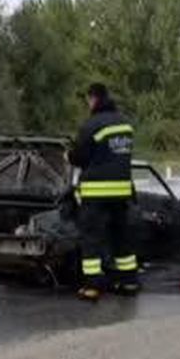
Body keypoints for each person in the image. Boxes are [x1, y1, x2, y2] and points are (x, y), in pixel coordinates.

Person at [68, 83, 138, 301]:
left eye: (88, 100)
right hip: (121, 192)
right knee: (121, 236)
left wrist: (67, 156)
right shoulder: (126, 125)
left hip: (96, 192)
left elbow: (79, 157)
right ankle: (128, 282)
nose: (88, 104)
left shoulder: (92, 125)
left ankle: (92, 286)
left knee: (91, 238)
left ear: (94, 99)